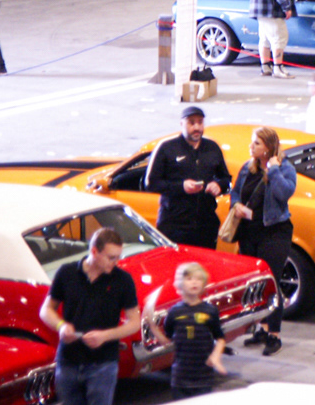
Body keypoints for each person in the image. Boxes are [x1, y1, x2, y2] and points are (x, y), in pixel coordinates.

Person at [38, 227, 141, 405]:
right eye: (111, 257)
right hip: (68, 360)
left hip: (103, 363)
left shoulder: (123, 280)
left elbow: (134, 323)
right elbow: (46, 310)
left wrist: (105, 336)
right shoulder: (67, 273)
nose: (116, 262)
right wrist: (61, 326)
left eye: (118, 257)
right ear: (94, 252)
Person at [230, 127, 296, 356]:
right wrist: (236, 205)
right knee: (255, 284)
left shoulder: (285, 168)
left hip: (274, 233)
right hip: (249, 233)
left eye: (256, 143)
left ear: (268, 148)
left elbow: (284, 194)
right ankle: (261, 328)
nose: (251, 146)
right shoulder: (247, 167)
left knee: (271, 283)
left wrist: (274, 170)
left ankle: (274, 334)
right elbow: (235, 192)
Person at [144, 106, 232, 249]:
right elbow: (151, 183)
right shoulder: (167, 148)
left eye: (200, 122)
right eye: (191, 122)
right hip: (174, 225)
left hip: (205, 225)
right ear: (181, 124)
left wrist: (218, 185)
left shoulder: (212, 148)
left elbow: (225, 178)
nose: (197, 127)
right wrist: (181, 187)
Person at [148, 261, 227, 399]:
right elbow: (167, 342)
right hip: (180, 377)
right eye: (189, 278)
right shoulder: (174, 312)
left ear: (204, 283)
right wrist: (152, 326)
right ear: (180, 283)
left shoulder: (210, 311)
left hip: (204, 376)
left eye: (199, 279)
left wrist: (216, 357)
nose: (194, 282)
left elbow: (220, 338)